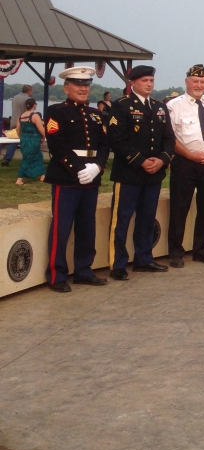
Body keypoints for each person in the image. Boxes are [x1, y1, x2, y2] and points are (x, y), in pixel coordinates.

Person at [42, 67, 110, 292]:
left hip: (91, 177)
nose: (83, 89)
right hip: (67, 178)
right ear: (66, 88)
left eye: (86, 84)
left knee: (86, 227)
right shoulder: (56, 112)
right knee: (61, 228)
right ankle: (56, 275)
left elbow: (104, 144)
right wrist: (80, 169)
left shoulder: (96, 114)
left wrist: (97, 167)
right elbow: (57, 145)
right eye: (78, 84)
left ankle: (83, 270)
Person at [106, 65, 175, 280]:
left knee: (146, 219)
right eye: (144, 80)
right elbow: (116, 139)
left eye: (151, 80)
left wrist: (162, 160)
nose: (149, 84)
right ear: (133, 83)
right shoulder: (121, 106)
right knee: (122, 220)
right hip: (129, 173)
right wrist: (141, 161)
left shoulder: (159, 107)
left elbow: (169, 138)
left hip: (154, 174)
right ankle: (117, 264)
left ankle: (144, 259)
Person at [166, 64, 204, 267]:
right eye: (195, 81)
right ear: (187, 82)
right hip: (185, 163)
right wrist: (191, 156)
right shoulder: (175, 105)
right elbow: (170, 138)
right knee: (179, 208)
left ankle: (201, 249)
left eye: (202, 81)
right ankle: (176, 251)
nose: (199, 85)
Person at [14, 98, 46, 185]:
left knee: (38, 156)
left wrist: (21, 138)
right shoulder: (35, 116)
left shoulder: (21, 116)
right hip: (34, 138)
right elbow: (41, 129)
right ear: (34, 105)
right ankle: (19, 179)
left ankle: (42, 175)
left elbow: (17, 129)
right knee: (28, 159)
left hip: (24, 138)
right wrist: (44, 137)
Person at [2, 84, 33, 167]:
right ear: (29, 91)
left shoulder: (15, 97)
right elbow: (28, 112)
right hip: (22, 122)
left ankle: (7, 158)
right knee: (26, 140)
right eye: (31, 91)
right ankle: (28, 159)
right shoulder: (28, 99)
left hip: (13, 121)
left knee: (14, 141)